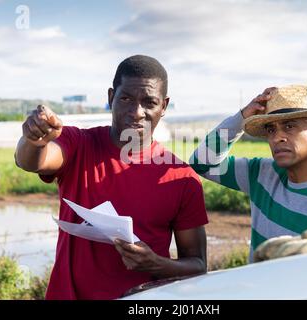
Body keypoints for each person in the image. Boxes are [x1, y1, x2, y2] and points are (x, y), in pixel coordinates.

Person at [15, 55, 208, 299]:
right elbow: (31, 161)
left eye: (149, 102)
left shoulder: (181, 178)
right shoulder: (79, 144)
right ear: (110, 98)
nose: (137, 112)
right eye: (126, 98)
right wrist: (33, 140)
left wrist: (156, 263)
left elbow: (198, 265)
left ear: (164, 106)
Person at [189, 85, 307, 262]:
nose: (277, 138)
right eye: (271, 129)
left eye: (289, 126)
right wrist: (240, 119)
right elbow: (201, 163)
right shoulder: (261, 174)